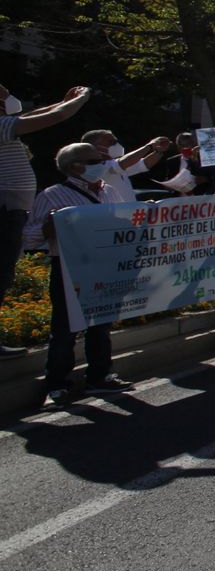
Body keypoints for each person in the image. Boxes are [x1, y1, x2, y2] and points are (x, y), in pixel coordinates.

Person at [23, 142, 134, 405]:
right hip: (70, 268)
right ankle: (57, 385)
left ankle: (99, 377)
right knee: (64, 329)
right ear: (75, 166)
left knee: (101, 325)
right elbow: (28, 238)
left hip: (105, 265)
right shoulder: (52, 195)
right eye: (95, 160)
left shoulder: (110, 192)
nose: (101, 164)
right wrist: (49, 226)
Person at [0, 83, 91, 359]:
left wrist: (61, 101)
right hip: (5, 211)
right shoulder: (2, 125)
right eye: (3, 93)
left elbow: (36, 115)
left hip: (10, 210)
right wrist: (80, 99)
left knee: (4, 274)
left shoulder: (6, 124)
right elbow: (56, 118)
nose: (9, 95)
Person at [82, 128, 172, 203]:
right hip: (112, 219)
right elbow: (123, 163)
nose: (116, 145)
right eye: (111, 142)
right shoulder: (94, 167)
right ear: (95, 146)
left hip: (126, 218)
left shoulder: (118, 166)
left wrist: (159, 151)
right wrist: (149, 146)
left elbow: (144, 164)